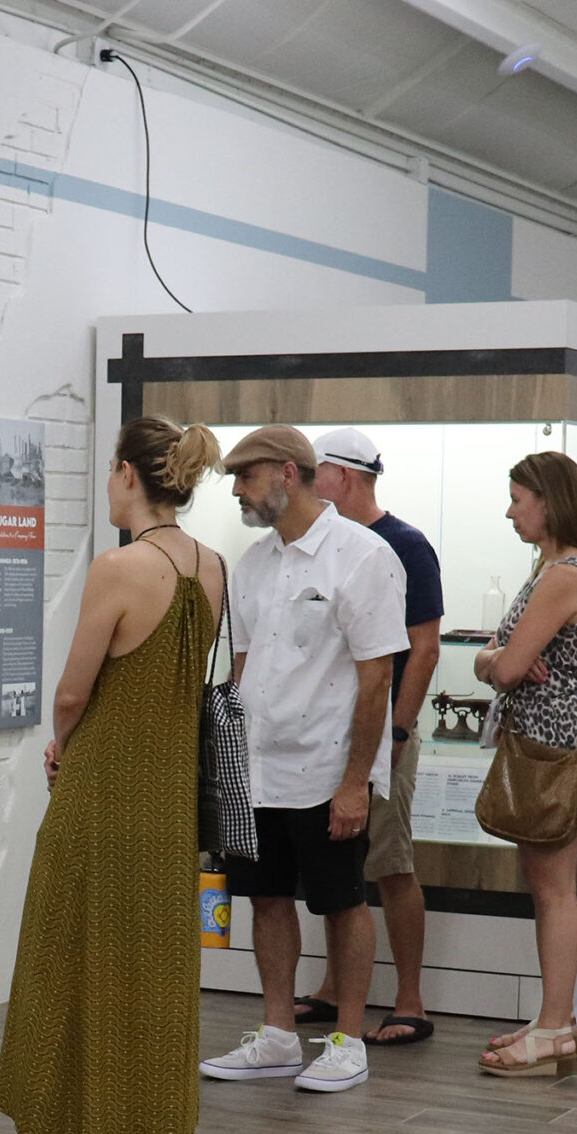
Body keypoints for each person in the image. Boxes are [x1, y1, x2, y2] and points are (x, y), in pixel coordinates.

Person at [0, 417, 226, 1134]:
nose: (109, 482)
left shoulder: (119, 568)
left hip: (103, 790)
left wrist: (60, 742)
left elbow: (74, 689)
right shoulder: (212, 568)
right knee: (148, 961)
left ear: (130, 477)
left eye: (113, 470)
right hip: (168, 801)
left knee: (60, 948)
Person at [198, 425, 406, 1093]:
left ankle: (346, 1041)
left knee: (342, 903)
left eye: (246, 477)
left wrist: (355, 784)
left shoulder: (362, 556)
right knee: (265, 899)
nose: (236, 490)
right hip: (257, 771)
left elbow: (378, 679)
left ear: (288, 474)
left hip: (327, 769)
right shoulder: (253, 562)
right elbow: (241, 666)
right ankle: (279, 1034)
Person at [477, 451, 577, 1077]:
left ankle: (556, 1024)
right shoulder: (554, 570)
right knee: (547, 888)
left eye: (517, 498)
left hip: (552, 745)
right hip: (543, 740)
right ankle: (552, 1017)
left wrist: (498, 659)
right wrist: (497, 658)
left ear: (549, 501)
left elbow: (500, 667)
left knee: (555, 890)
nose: (509, 511)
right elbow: (495, 660)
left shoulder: (564, 575)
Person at [311, 427, 443, 1049]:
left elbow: (423, 648)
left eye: (317, 472)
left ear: (346, 476)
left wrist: (398, 729)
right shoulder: (329, 544)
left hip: (383, 730)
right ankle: (336, 986)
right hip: (336, 731)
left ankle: (411, 998)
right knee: (340, 866)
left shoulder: (406, 545)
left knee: (389, 862)